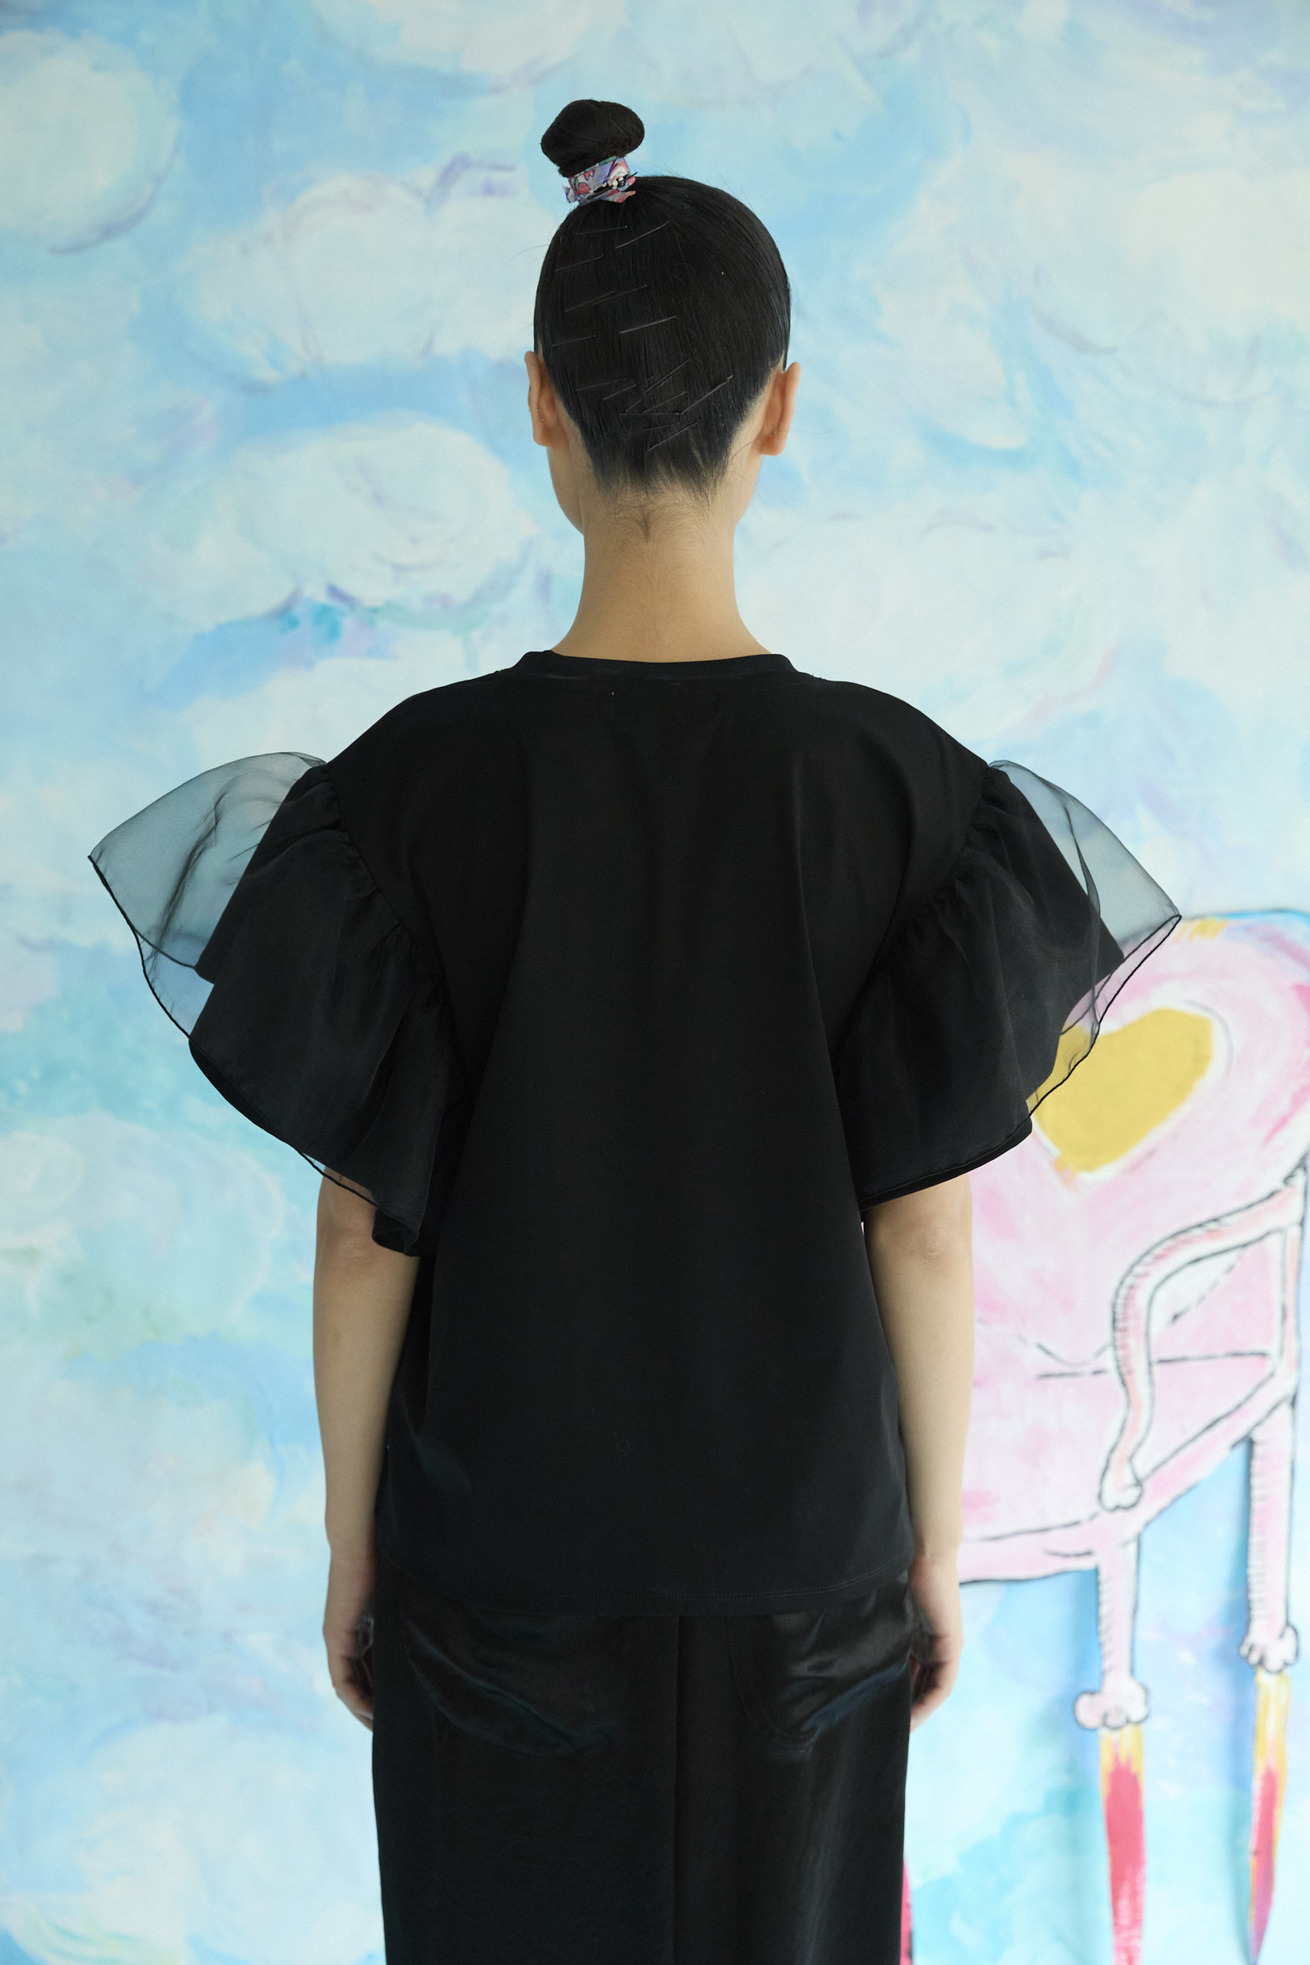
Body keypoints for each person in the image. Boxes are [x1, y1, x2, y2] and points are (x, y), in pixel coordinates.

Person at [89, 97, 1179, 1965]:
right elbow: (922, 1224)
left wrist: (353, 1544)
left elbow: (362, 1227)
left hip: (494, 1561)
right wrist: (926, 1545)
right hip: (806, 1565)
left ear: (540, 404)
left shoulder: (409, 792)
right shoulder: (899, 793)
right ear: (779, 409)